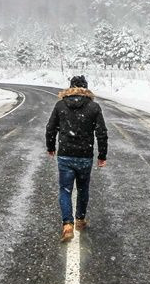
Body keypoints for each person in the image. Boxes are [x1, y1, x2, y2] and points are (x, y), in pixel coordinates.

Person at [45, 75, 108, 243]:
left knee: (65, 190)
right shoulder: (94, 107)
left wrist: (51, 147)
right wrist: (102, 155)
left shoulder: (60, 105)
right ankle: (80, 220)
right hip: (84, 156)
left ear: (71, 87)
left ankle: (67, 224)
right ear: (86, 88)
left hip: (65, 154)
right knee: (82, 188)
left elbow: (50, 128)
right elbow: (101, 133)